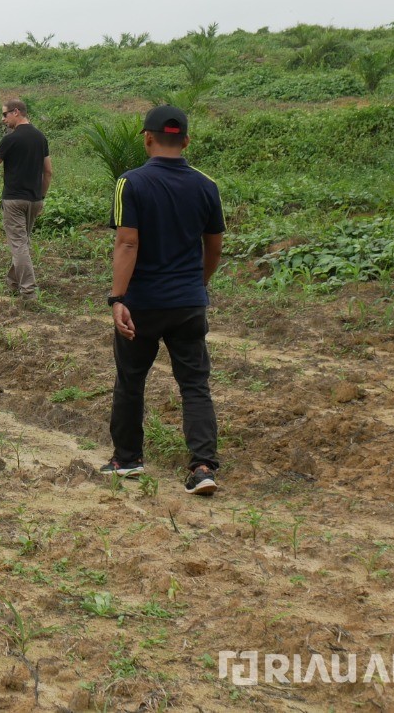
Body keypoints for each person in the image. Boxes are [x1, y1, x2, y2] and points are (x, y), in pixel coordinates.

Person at [102, 105, 225, 496]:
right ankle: (202, 466)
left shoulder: (130, 183)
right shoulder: (206, 185)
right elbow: (215, 244)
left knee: (131, 380)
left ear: (147, 138)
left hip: (142, 303)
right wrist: (198, 283)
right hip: (188, 303)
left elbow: (127, 241)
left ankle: (127, 459)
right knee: (194, 385)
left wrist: (118, 297)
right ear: (186, 141)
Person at [0, 98, 52, 302]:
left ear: (16, 112)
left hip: (14, 200)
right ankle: (13, 283)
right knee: (22, 243)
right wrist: (41, 197)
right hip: (33, 199)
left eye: (4, 114)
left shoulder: (10, 139)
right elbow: (48, 172)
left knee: (19, 245)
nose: (3, 119)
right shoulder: (40, 138)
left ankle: (28, 292)